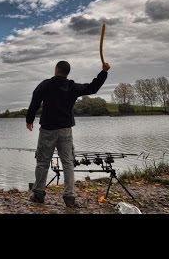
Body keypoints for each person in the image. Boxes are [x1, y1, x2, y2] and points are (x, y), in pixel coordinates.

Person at [25, 60, 110, 207]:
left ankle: (38, 194)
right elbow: (92, 88)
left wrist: (29, 119)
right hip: (65, 130)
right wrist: (103, 72)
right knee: (68, 163)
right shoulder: (72, 87)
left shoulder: (45, 85)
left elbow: (35, 100)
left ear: (56, 70)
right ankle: (69, 197)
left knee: (43, 162)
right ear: (67, 72)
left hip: (47, 130)